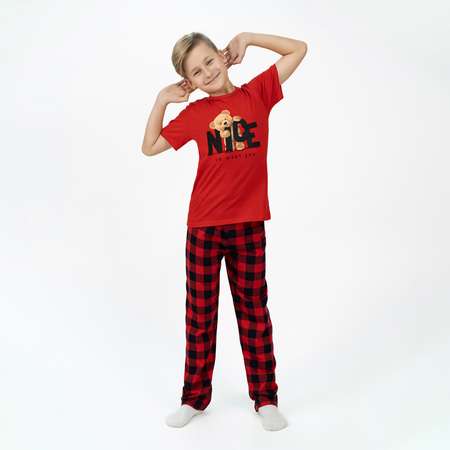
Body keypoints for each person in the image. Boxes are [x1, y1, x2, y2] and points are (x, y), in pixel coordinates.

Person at [141, 31, 307, 431]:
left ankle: (265, 397)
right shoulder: (196, 114)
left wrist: (247, 38)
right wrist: (162, 100)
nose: (207, 73)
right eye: (196, 72)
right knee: (200, 316)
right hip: (203, 228)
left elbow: (299, 50)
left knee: (253, 311)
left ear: (222, 55)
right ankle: (193, 398)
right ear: (190, 82)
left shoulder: (257, 94)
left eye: (209, 61)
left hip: (248, 225)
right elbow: (150, 146)